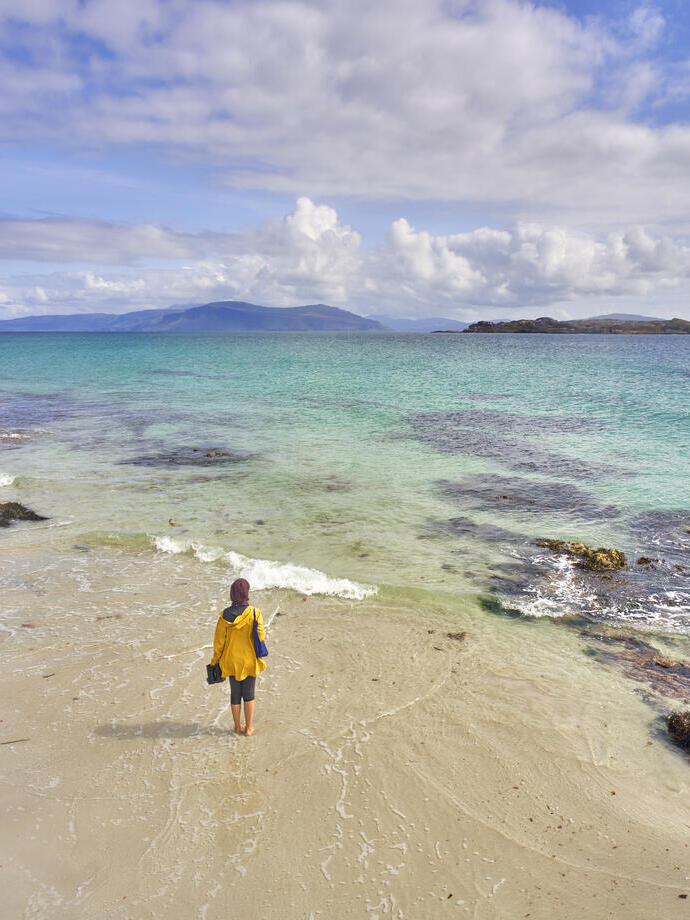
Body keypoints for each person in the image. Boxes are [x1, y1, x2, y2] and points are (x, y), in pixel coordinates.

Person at [209, 577, 266, 736]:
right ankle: (248, 728)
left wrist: (215, 661)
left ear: (232, 594)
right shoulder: (255, 612)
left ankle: (237, 727)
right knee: (249, 694)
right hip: (249, 660)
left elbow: (218, 643)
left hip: (231, 660)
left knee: (235, 693)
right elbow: (261, 636)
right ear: (246, 593)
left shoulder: (224, 616)